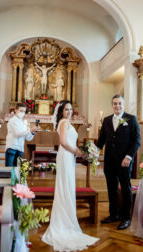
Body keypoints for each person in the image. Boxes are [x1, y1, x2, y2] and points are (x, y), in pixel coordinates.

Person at [42, 100, 99, 251]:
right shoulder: (63, 122)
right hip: (66, 155)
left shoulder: (66, 122)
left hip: (69, 157)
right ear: (61, 111)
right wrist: (78, 152)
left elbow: (70, 141)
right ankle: (63, 222)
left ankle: (66, 219)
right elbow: (63, 142)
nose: (69, 112)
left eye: (70, 110)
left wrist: (80, 151)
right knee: (65, 186)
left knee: (67, 186)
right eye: (66, 110)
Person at [97, 94, 141, 230]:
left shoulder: (131, 119)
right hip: (109, 161)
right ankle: (114, 214)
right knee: (111, 188)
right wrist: (92, 153)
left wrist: (128, 157)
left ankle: (125, 218)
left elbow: (136, 141)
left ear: (123, 104)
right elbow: (101, 140)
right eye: (115, 103)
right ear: (112, 105)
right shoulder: (106, 120)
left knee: (126, 188)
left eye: (120, 103)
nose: (117, 106)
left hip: (124, 161)